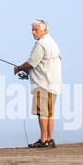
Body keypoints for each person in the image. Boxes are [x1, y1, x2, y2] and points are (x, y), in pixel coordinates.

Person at [14, 19, 62, 148]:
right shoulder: (52, 42)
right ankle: (50, 139)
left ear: (45, 30)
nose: (33, 32)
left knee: (42, 112)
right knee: (50, 113)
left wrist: (18, 68)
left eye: (36, 30)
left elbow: (32, 62)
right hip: (54, 83)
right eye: (32, 30)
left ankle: (43, 139)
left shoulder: (41, 44)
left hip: (43, 83)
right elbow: (43, 64)